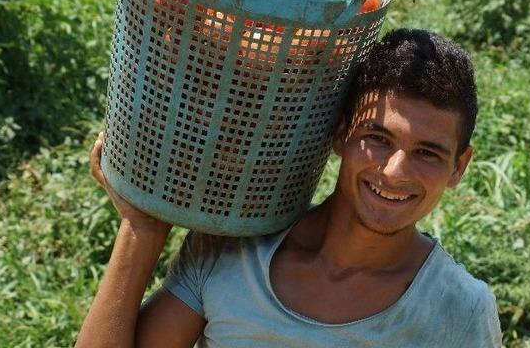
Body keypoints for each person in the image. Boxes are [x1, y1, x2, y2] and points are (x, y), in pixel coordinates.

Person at [76, 28, 503, 347]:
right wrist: (142, 229)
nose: (394, 171)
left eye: (427, 152)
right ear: (341, 134)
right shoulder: (236, 246)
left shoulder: (459, 311)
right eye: (378, 139)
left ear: (458, 166)